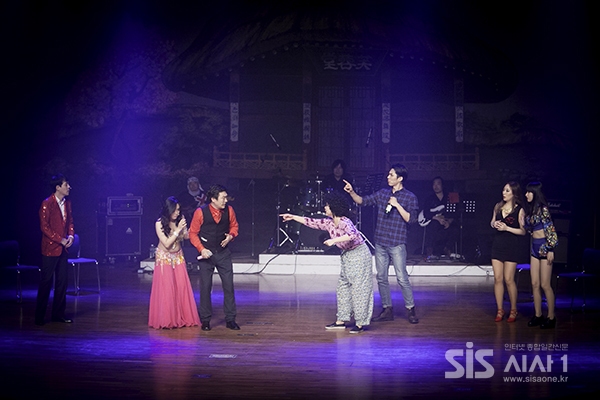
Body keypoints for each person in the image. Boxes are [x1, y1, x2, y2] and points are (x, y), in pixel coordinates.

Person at [280, 191, 373, 333]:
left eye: (327, 205)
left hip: (359, 254)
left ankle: (360, 323)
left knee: (359, 288)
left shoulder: (344, 221)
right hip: (347, 255)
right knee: (343, 287)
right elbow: (310, 222)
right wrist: (293, 217)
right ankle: (341, 320)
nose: (325, 207)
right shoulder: (329, 223)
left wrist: (333, 241)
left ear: (334, 207)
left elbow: (353, 235)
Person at [344, 163, 420, 324]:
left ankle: (410, 309)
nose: (388, 177)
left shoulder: (410, 197)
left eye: (391, 175)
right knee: (381, 277)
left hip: (397, 242)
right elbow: (362, 201)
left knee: (402, 277)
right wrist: (351, 192)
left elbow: (411, 219)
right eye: (388, 174)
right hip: (380, 241)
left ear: (400, 178)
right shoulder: (382, 193)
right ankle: (387, 309)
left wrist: (397, 204)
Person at [189, 184, 240, 331]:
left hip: (223, 253)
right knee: (205, 287)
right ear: (213, 199)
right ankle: (205, 320)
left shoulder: (229, 210)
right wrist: (201, 249)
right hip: (206, 254)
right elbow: (193, 233)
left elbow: (234, 226)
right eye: (223, 198)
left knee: (228, 286)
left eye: (226, 197)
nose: (226, 200)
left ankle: (230, 319)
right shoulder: (200, 212)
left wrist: (231, 236)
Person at [148, 196, 200, 329]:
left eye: (178, 210)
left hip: (178, 257)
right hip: (164, 257)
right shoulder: (159, 223)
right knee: (167, 288)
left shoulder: (179, 220)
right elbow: (166, 243)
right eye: (175, 210)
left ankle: (181, 316)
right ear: (168, 210)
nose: (177, 213)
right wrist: (177, 230)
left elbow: (185, 236)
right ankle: (167, 319)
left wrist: (188, 229)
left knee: (181, 287)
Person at [35, 174, 75, 326]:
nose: (69, 187)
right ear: (58, 187)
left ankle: (58, 314)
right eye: (66, 185)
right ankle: (39, 316)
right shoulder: (47, 203)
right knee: (46, 282)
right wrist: (60, 239)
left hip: (63, 249)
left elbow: (70, 221)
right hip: (50, 248)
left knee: (62, 282)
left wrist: (70, 236)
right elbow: (44, 227)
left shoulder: (67, 203)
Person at [490, 181, 526, 323]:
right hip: (497, 245)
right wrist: (495, 224)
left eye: (507, 191)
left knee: (509, 279)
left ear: (514, 193)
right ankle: (500, 310)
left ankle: (513, 309)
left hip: (512, 246)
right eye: (504, 190)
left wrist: (507, 228)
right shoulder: (498, 207)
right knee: (498, 278)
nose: (504, 193)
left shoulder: (519, 210)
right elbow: (492, 222)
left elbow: (523, 231)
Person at [524, 182, 558, 329]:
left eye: (529, 192)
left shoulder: (543, 209)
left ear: (535, 193)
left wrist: (551, 248)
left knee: (545, 284)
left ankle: (551, 317)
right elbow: (530, 228)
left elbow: (550, 229)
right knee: (535, 284)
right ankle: (538, 315)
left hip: (544, 247)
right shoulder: (531, 210)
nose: (526, 195)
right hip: (534, 247)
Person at [419, 176, 458, 258]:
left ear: (442, 185)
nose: (436, 186)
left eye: (438, 184)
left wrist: (449, 221)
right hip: (434, 221)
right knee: (433, 226)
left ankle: (447, 249)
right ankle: (430, 250)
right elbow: (426, 213)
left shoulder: (449, 197)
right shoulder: (429, 198)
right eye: (434, 184)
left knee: (455, 228)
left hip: (446, 220)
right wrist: (437, 219)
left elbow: (455, 213)